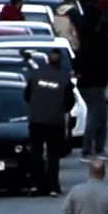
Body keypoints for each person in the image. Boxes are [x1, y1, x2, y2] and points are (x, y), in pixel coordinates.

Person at [25, 51, 76, 198]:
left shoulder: (35, 75)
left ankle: (34, 184)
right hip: (55, 121)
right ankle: (53, 186)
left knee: (36, 153)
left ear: (47, 60)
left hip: (36, 120)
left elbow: (27, 95)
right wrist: (61, 110)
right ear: (60, 62)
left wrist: (36, 107)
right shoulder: (64, 78)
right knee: (53, 154)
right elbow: (69, 101)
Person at [75, 20, 108, 160]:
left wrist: (79, 72)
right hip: (95, 85)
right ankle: (89, 149)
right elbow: (105, 66)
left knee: (100, 116)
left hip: (85, 84)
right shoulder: (104, 46)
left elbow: (77, 62)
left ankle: (98, 147)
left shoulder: (88, 44)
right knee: (95, 116)